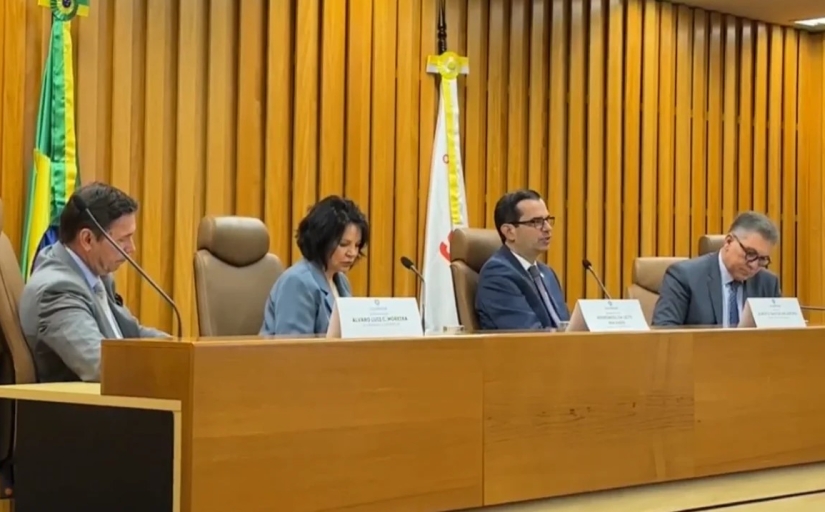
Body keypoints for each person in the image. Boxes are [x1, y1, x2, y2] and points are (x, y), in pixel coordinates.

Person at [18, 182, 169, 383]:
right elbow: (99, 365)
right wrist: (167, 367)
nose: (131, 248)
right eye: (123, 239)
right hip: (83, 410)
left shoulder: (95, 274)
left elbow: (131, 334)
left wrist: (182, 351)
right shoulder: (57, 291)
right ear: (88, 240)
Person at [260, 195, 369, 336]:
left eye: (357, 245)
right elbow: (294, 349)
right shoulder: (297, 282)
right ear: (322, 240)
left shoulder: (342, 281)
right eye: (344, 244)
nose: (352, 253)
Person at [652, 211, 781, 327]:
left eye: (762, 259)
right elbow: (664, 333)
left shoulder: (768, 283)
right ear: (728, 242)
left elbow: (780, 337)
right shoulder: (684, 277)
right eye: (750, 254)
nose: (753, 265)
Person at [475, 189, 569, 330]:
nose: (548, 228)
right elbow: (527, 334)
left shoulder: (547, 273)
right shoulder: (496, 275)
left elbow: (566, 325)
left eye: (547, 220)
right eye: (537, 222)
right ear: (509, 232)